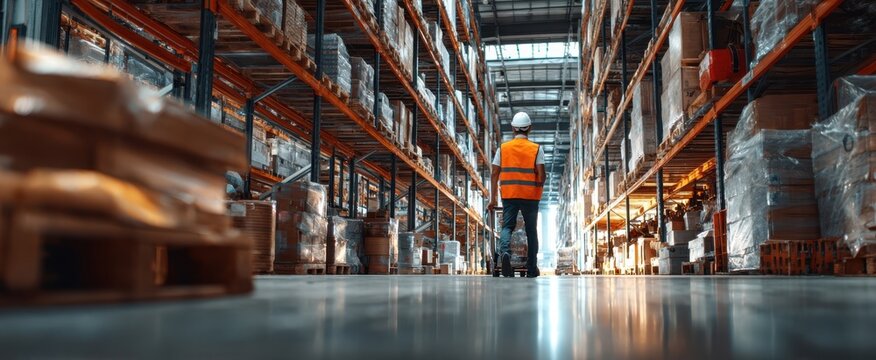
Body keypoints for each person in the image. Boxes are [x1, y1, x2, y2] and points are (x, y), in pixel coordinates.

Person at [487, 112, 546, 278]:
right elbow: (541, 176)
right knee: (531, 231)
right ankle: (532, 268)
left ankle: (505, 253)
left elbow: (494, 174)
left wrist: (492, 199)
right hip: (531, 196)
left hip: (509, 194)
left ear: (513, 128)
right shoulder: (536, 149)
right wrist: (538, 185)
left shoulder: (503, 149)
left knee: (507, 226)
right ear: (530, 129)